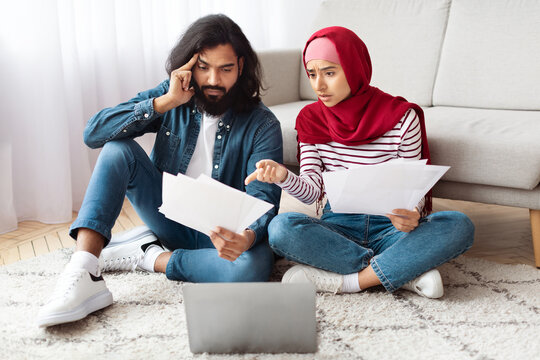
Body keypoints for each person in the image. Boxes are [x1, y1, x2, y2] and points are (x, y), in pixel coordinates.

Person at [37, 14, 283, 328]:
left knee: (254, 267)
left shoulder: (263, 125)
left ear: (242, 66)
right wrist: (163, 102)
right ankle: (84, 270)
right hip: (168, 216)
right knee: (117, 149)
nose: (213, 80)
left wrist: (247, 237)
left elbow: (264, 199)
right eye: (203, 67)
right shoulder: (172, 97)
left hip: (220, 237)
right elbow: (93, 133)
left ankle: (148, 255)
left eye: (226, 69)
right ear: (189, 67)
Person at [245, 26, 474, 298]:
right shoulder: (310, 119)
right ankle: (403, 272)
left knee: (459, 225)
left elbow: (414, 189)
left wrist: (412, 214)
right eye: (312, 74)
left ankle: (349, 281)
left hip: (392, 228)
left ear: (354, 68)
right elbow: (312, 192)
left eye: (329, 73)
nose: (318, 85)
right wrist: (283, 177)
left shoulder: (401, 117)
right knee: (281, 228)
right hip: (336, 229)